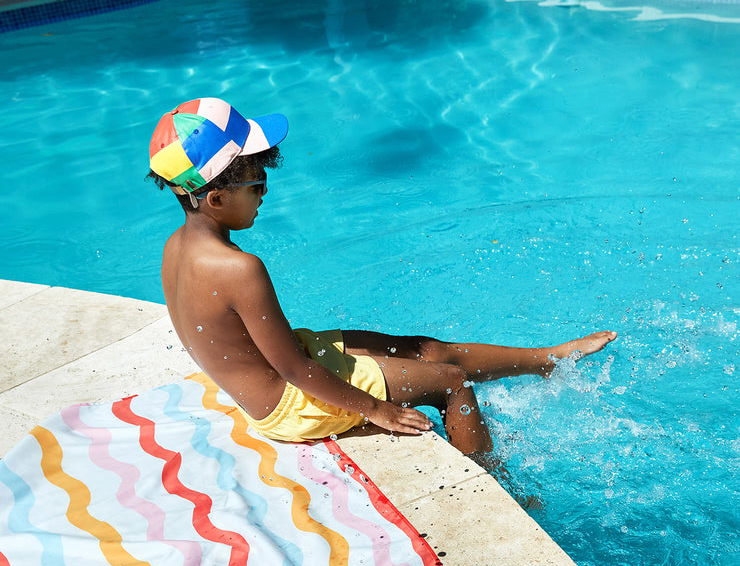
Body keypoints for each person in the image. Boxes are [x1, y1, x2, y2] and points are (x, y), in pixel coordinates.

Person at [148, 97, 616, 464]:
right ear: (215, 198)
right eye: (257, 184)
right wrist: (376, 410)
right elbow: (292, 370)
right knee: (451, 383)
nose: (266, 192)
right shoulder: (239, 268)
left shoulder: (176, 246)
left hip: (280, 370)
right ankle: (500, 491)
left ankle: (546, 359)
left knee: (420, 348)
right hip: (289, 401)